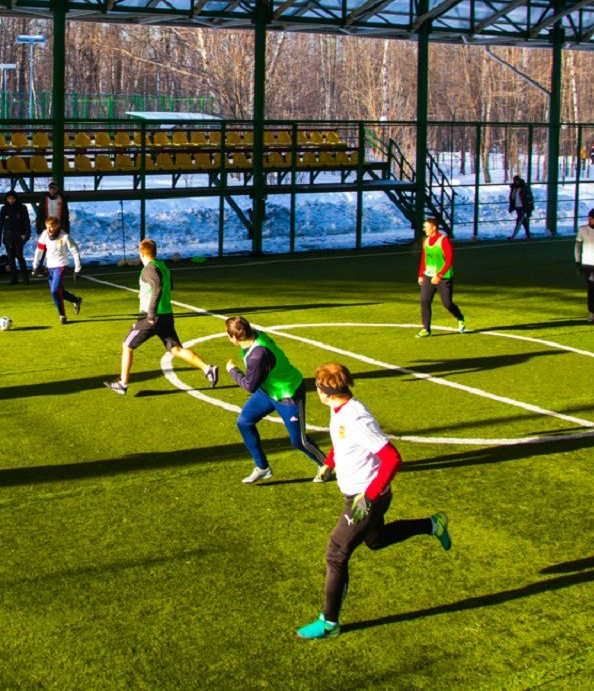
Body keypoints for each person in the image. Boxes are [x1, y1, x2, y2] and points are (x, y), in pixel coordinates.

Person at [296, 362, 451, 639]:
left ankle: (330, 623)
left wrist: (367, 497)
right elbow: (340, 441)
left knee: (335, 553)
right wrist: (329, 463)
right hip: (363, 495)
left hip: (366, 498)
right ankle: (433, 525)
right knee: (376, 539)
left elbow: (392, 458)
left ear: (325, 392)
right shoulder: (339, 407)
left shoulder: (357, 420)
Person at [105, 238, 218, 394]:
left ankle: (123, 383)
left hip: (152, 318)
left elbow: (157, 287)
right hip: (166, 315)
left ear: (141, 253)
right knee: (176, 349)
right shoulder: (163, 265)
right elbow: (169, 286)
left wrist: (151, 314)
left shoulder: (149, 269)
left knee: (127, 345)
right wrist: (144, 293)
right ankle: (208, 368)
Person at [224, 316, 325, 484]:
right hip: (269, 391)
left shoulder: (257, 355)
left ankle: (325, 465)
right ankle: (262, 467)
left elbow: (249, 386)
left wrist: (233, 370)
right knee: (244, 421)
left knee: (298, 441)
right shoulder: (255, 335)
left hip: (289, 394)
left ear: (233, 337)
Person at [416, 215, 466, 337]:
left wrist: (439, 275)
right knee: (424, 301)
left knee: (447, 303)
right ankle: (426, 329)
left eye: (426, 227)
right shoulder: (426, 241)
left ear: (434, 228)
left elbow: (449, 259)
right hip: (428, 275)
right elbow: (424, 258)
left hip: (443, 277)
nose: (424, 229)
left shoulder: (443, 240)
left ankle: (459, 317)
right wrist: (420, 274)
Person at [31, 216, 83, 323]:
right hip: (49, 267)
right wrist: (35, 266)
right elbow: (39, 250)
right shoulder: (44, 234)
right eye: (49, 227)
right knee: (58, 292)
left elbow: (75, 251)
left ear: (58, 226)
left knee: (54, 291)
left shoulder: (64, 236)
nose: (51, 229)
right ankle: (76, 300)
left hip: (61, 266)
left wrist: (77, 269)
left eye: (53, 227)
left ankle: (62, 316)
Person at [0, 190, 33, 284]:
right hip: (7, 236)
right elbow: (0, 223)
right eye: (9, 198)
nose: (11, 200)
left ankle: (25, 278)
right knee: (10, 258)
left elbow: (26, 222)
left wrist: (27, 234)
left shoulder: (22, 208)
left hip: (18, 235)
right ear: (7, 199)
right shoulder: (4, 209)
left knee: (19, 256)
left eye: (13, 198)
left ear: (16, 199)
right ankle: (14, 279)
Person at [507, 174, 534, 240]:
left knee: (519, 221)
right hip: (517, 206)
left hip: (522, 207)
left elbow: (528, 199)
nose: (516, 182)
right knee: (524, 222)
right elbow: (512, 198)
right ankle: (528, 235)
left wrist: (527, 209)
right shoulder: (515, 188)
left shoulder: (523, 188)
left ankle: (513, 236)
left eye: (517, 181)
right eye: (515, 181)